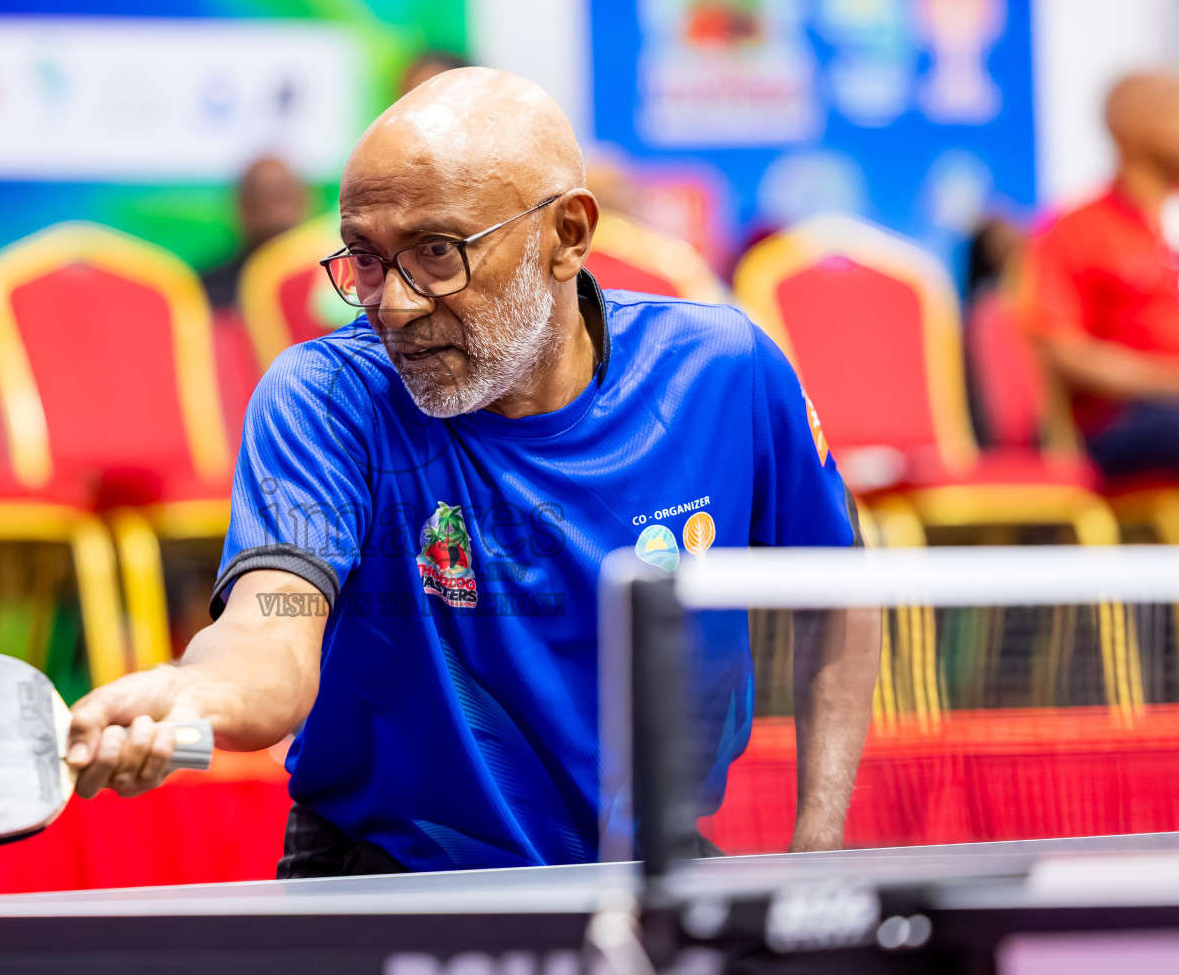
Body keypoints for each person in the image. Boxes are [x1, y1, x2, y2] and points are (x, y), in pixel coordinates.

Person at [66, 68, 880, 875]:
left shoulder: (724, 371)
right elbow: (269, 629)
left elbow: (839, 594)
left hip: (648, 872)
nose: (394, 304)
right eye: (366, 258)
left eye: (436, 252)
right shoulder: (325, 397)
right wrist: (195, 692)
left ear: (567, 235)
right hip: (391, 879)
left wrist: (818, 847)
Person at [1020, 70, 1179, 477]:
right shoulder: (1077, 230)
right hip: (1121, 420)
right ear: (1134, 126)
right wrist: (1167, 381)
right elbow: (1062, 351)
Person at [200, 156, 309, 310]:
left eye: (281, 193)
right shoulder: (212, 288)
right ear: (243, 205)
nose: (276, 211)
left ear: (303, 201)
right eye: (262, 193)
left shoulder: (327, 280)